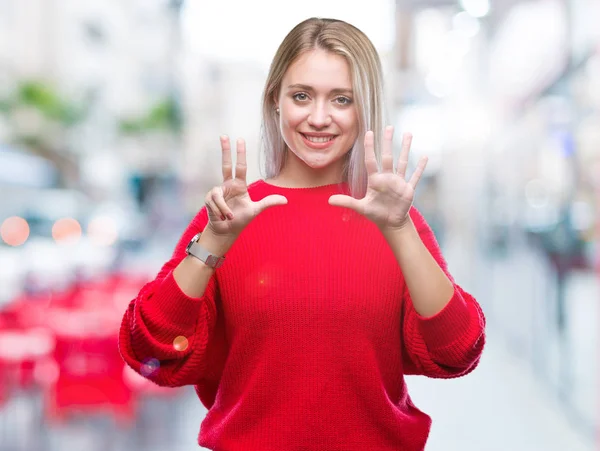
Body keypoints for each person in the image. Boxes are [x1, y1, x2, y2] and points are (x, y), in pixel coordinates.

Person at [118, 17, 486, 451]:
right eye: (301, 96)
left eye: (342, 99)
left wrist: (400, 230)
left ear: (363, 108)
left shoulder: (393, 217)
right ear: (276, 101)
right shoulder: (230, 216)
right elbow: (149, 350)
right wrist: (213, 244)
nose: (318, 118)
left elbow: (458, 350)